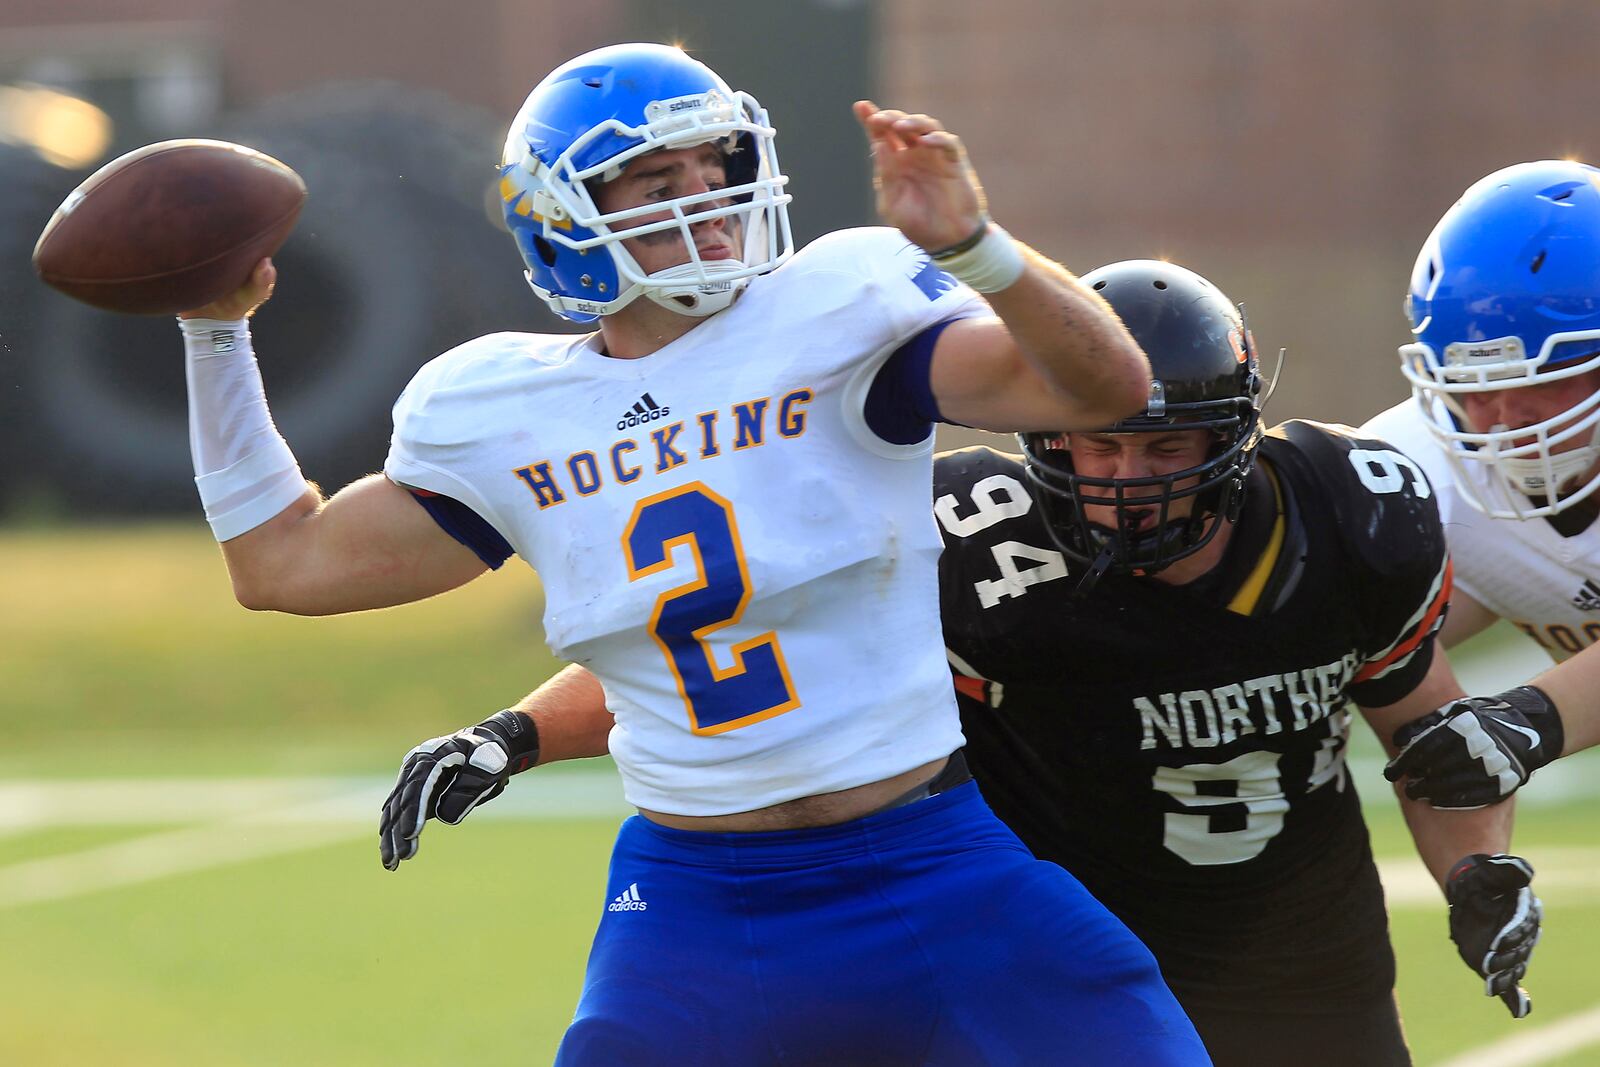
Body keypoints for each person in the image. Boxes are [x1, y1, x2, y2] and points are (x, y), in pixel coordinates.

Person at [176, 42, 1206, 1065]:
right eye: (658, 179)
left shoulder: (838, 309)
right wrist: (214, 335)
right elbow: (281, 566)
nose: (706, 198)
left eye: (714, 168)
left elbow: (1104, 388)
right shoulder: (499, 407)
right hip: (700, 903)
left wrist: (979, 246)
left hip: (935, 862)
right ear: (562, 217)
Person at [403, 260, 1544, 1064]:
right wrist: (514, 730)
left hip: (1304, 948)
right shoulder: (966, 538)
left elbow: (1425, 725)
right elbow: (726, 639)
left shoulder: (1351, 512)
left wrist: (1476, 871)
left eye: (1164, 445)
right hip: (1045, 949)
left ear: (1233, 436)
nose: (1125, 476)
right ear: (1042, 430)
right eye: (1097, 440)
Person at [1368, 160, 1600, 812]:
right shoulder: (1420, 464)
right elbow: (1352, 640)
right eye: (1474, 384)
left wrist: (1533, 716)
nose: (1505, 418)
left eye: (1540, 377)